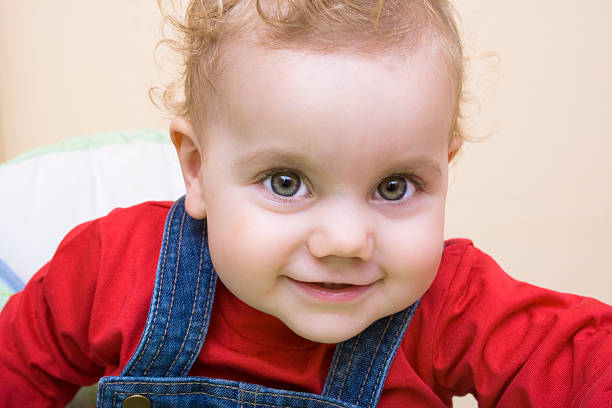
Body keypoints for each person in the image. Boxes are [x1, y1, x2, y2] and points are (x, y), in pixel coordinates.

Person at [1, 0, 611, 406]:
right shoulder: (110, 269)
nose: (346, 240)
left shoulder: (451, 304)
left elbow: (583, 360)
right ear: (198, 170)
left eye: (394, 186)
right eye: (286, 182)